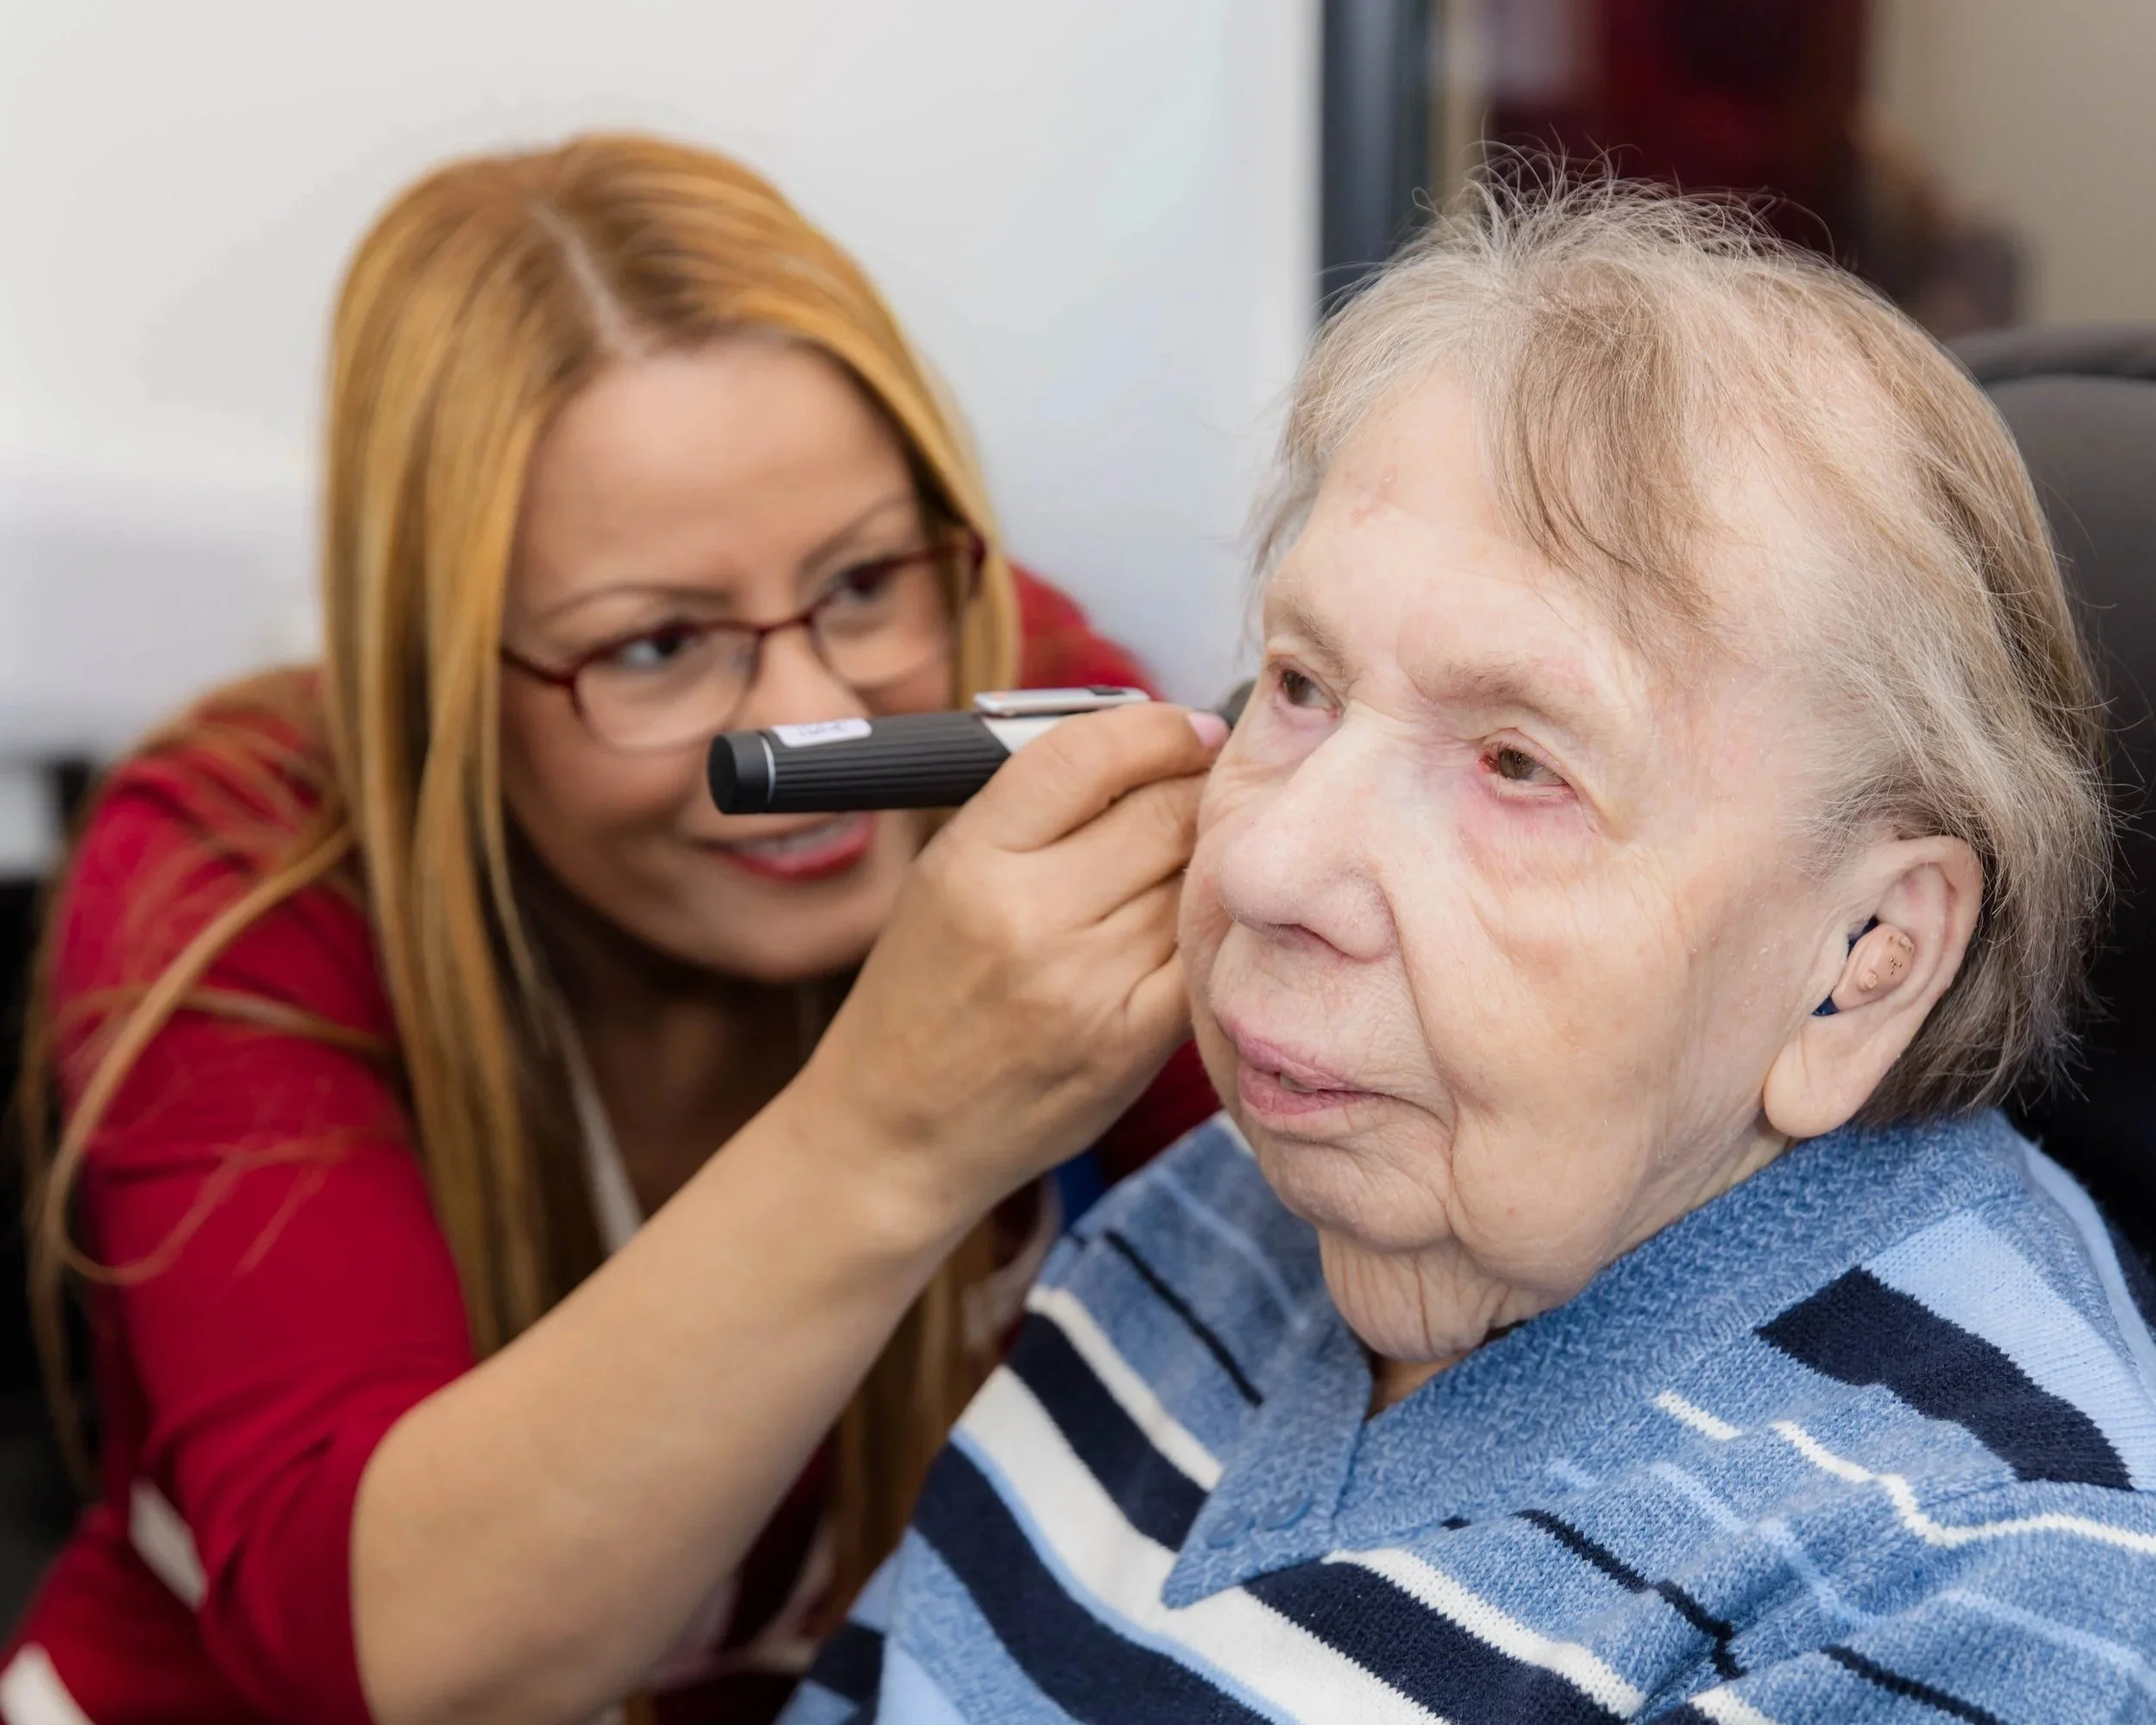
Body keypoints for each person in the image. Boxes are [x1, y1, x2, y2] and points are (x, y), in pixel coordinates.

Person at [783, 183, 2156, 1724]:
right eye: (1300, 684)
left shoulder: (1979, 1582)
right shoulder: (1234, 1197)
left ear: (1868, 960)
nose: (1265, 859)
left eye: (1517, 764)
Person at [0, 135, 1224, 1725]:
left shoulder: (1018, 703)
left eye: (860, 583)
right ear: (444, 684)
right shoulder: (234, 861)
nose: (812, 726)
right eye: (655, 645)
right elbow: (401, 1662)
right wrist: (893, 1128)